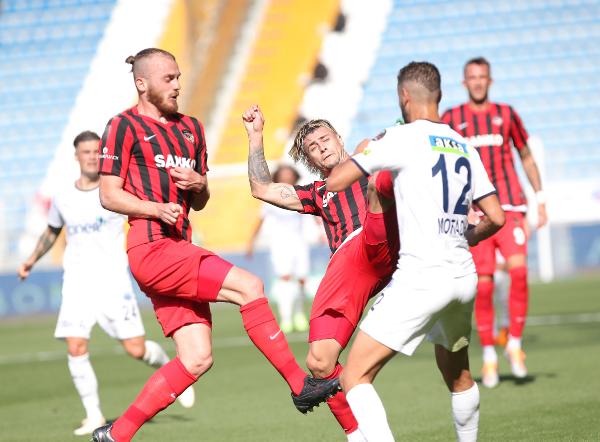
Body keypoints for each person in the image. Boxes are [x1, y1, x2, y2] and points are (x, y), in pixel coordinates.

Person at [91, 48, 337, 442]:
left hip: (176, 244)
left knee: (197, 358)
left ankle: (116, 434)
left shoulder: (191, 128)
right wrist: (156, 207)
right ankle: (298, 384)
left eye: (178, 76)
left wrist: (199, 185)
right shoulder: (122, 126)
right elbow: (108, 194)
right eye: (168, 78)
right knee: (251, 287)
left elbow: (201, 201)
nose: (177, 84)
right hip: (152, 247)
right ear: (142, 84)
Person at [327, 61, 505, 442]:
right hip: (462, 276)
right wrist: (468, 235)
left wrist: (364, 150)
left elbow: (337, 181)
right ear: (438, 95)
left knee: (354, 376)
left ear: (404, 97)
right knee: (457, 373)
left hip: (422, 278)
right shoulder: (463, 145)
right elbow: (497, 217)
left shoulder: (400, 137)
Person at [17, 130, 195, 436]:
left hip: (113, 282)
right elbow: (52, 231)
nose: (91, 156)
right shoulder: (63, 197)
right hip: (76, 283)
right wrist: (31, 260)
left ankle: (168, 365)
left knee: (136, 349)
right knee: (75, 346)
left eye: (96, 151)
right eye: (85, 151)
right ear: (77, 156)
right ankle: (94, 415)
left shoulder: (116, 192)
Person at [243, 104, 399, 441]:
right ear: (310, 160)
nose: (322, 147)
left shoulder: (365, 161)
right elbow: (262, 189)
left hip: (380, 243)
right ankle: (357, 435)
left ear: (338, 138)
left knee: (379, 175)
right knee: (320, 362)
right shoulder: (318, 194)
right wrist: (255, 136)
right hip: (354, 270)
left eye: (326, 139)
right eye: (313, 147)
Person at [441, 56, 547, 387]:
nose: (477, 82)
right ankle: (489, 355)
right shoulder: (451, 119)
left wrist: (540, 199)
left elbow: (525, 155)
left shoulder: (507, 114)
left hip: (511, 204)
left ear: (490, 80)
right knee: (483, 286)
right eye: (471, 77)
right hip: (475, 214)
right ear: (464, 82)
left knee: (519, 271)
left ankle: (513, 344)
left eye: (482, 77)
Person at [246, 164, 310, 334]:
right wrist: (251, 242)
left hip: (299, 241)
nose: (287, 176)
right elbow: (260, 220)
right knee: (285, 278)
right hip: (280, 243)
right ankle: (287, 318)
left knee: (302, 279)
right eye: (284, 173)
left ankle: (299, 313)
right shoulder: (271, 196)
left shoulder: (301, 193)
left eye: (289, 173)